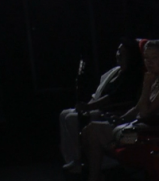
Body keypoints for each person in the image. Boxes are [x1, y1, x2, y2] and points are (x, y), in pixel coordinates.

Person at [75, 39, 159, 181]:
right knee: (89, 130)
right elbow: (137, 108)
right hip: (134, 128)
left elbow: (145, 113)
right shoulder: (154, 77)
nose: (149, 62)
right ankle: (96, 180)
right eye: (146, 58)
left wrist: (146, 85)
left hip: (147, 136)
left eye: (154, 58)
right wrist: (121, 118)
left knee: (94, 132)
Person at [60, 39, 143, 172]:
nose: (119, 55)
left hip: (111, 110)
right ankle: (70, 158)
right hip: (99, 108)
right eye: (118, 51)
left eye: (123, 53)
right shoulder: (115, 72)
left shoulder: (132, 76)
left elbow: (112, 98)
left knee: (72, 119)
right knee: (64, 114)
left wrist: (89, 107)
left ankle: (79, 159)